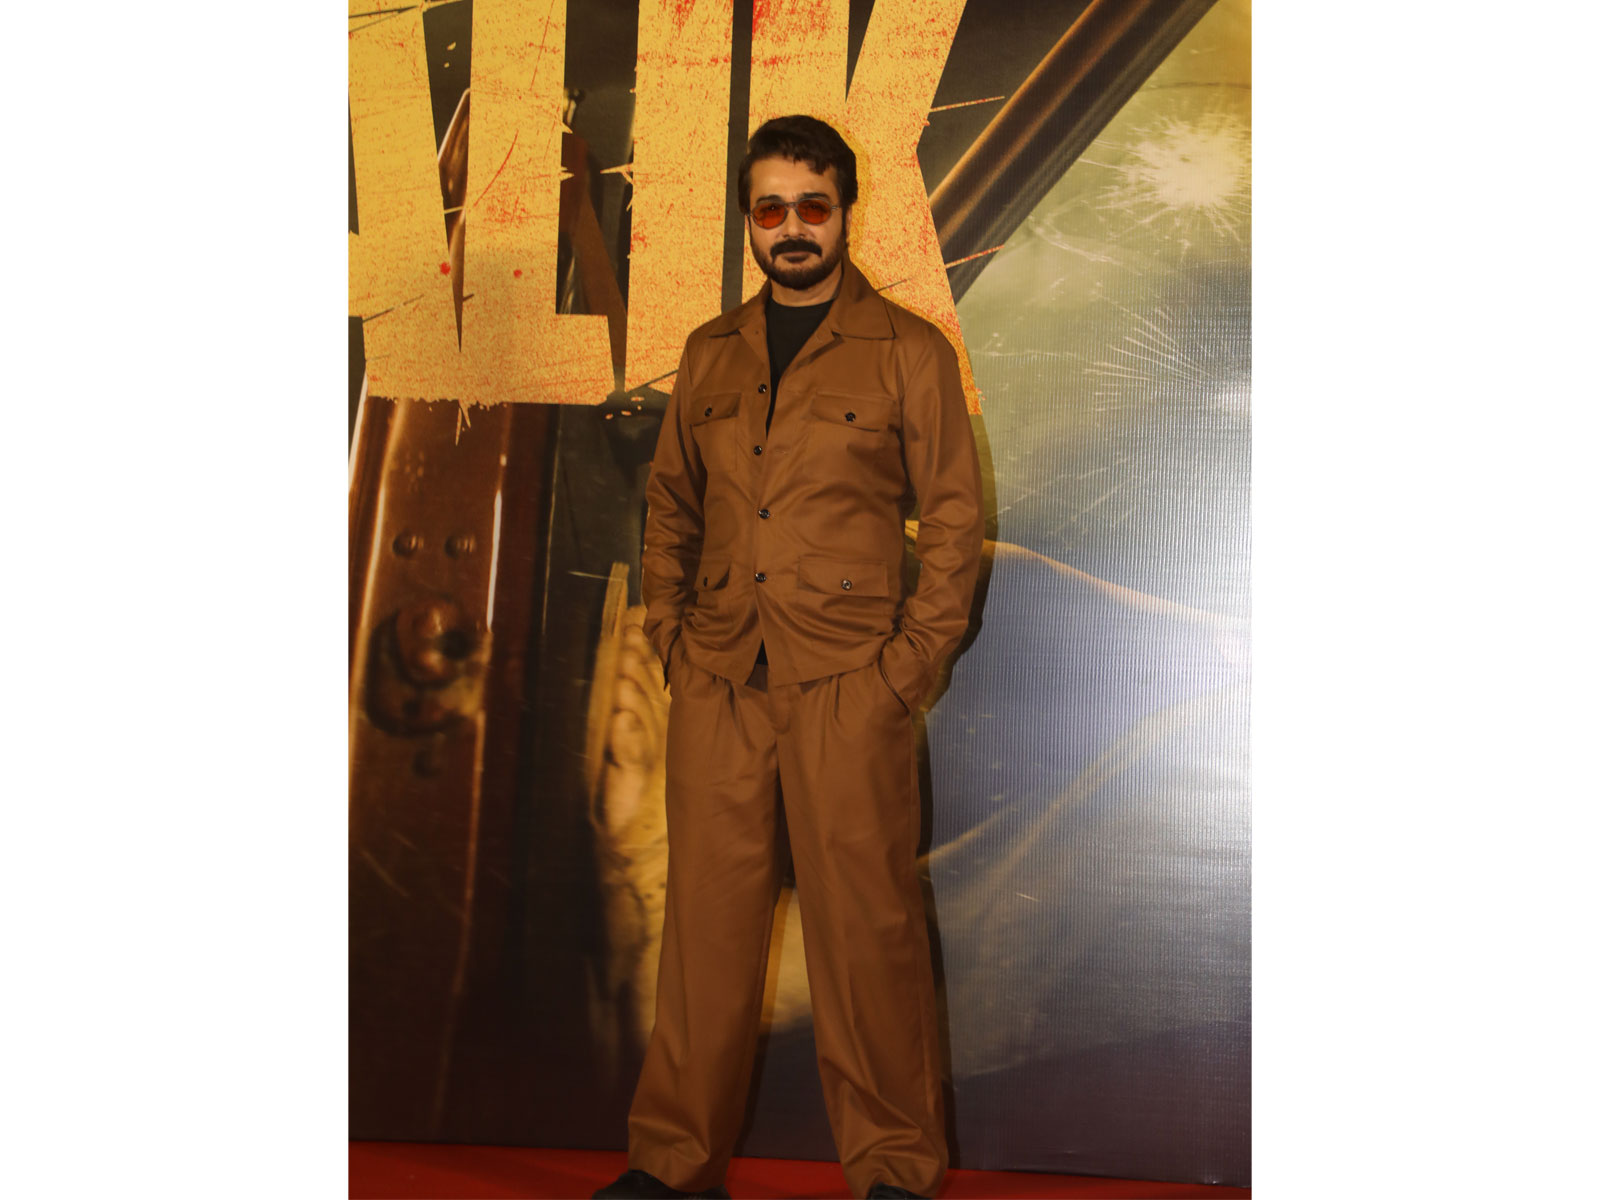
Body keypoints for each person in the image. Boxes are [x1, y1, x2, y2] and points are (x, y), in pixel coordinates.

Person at [594, 114, 985, 1200]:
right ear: (749, 221)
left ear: (845, 212)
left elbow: (955, 521)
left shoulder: (908, 351)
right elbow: (670, 506)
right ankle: (671, 1164)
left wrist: (905, 672)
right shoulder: (709, 352)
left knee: (867, 934)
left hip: (849, 685)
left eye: (813, 205)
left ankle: (894, 1168)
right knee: (703, 936)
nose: (793, 227)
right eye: (771, 208)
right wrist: (671, 638)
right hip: (719, 679)